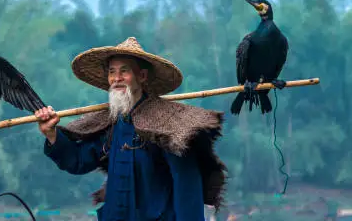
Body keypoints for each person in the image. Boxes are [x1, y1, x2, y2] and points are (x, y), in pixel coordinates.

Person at [35, 37, 227, 220]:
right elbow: (79, 160)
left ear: (141, 76)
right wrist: (52, 134)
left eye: (124, 71)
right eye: (112, 72)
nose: (116, 78)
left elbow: (186, 186)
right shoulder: (112, 125)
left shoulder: (168, 126)